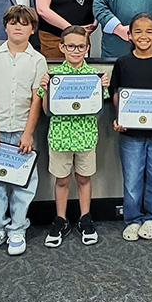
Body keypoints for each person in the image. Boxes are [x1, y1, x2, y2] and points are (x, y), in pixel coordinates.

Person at [0, 6, 47, 257]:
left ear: (32, 29)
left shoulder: (38, 60)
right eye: (13, 23)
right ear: (5, 26)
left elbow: (36, 99)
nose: (18, 27)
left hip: (21, 132)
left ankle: (17, 228)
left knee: (23, 184)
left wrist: (28, 133)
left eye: (24, 23)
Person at [38, 25, 109, 248]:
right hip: (60, 136)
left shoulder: (95, 76)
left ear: (87, 48)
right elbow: (46, 110)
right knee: (61, 180)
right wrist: (46, 89)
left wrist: (102, 87)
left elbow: (99, 108)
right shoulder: (52, 75)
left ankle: (85, 218)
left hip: (86, 135)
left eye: (80, 46)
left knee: (84, 178)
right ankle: (60, 219)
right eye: (70, 46)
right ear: (62, 47)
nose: (75, 51)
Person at [110, 13, 152, 241]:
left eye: (149, 31)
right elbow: (117, 93)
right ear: (129, 35)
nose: (143, 36)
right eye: (137, 31)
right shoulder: (123, 63)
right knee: (132, 181)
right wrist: (119, 117)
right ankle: (132, 220)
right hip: (129, 133)